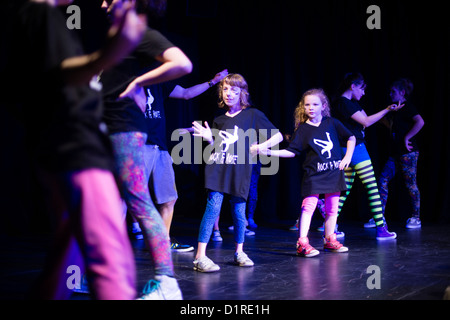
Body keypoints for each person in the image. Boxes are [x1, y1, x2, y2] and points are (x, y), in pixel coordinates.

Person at [1, 0, 146, 299]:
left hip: (59, 147)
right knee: (110, 259)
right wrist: (111, 52)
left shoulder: (28, 19)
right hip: (76, 149)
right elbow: (61, 75)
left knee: (67, 255)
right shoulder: (39, 12)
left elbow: (21, 92)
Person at [99, 0, 192, 299]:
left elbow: (182, 64)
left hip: (126, 130)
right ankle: (104, 274)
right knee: (107, 204)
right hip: (108, 129)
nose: (102, 4)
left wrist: (139, 81)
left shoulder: (138, 31)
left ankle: (167, 282)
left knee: (139, 202)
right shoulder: (119, 37)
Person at [129, 69, 229, 252]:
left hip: (159, 148)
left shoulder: (158, 82)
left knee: (169, 199)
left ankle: (163, 243)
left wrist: (213, 82)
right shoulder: (125, 78)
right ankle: (111, 246)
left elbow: (186, 93)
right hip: (135, 146)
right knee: (126, 198)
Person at [192, 73, 283, 272]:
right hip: (218, 168)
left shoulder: (253, 115)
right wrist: (209, 138)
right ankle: (200, 256)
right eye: (225, 89)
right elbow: (218, 146)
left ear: (242, 92)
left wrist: (260, 147)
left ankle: (239, 252)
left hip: (240, 170)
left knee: (239, 212)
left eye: (234, 90)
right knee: (213, 207)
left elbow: (277, 136)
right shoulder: (219, 118)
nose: (229, 94)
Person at [252, 89, 356, 257]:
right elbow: (292, 151)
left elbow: (351, 137)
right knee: (308, 208)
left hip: (333, 174)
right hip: (314, 176)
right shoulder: (303, 130)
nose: (311, 108)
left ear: (323, 106)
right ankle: (302, 243)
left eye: (315, 104)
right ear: (303, 108)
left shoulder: (332, 123)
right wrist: (269, 152)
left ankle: (330, 240)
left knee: (332, 209)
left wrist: (347, 157)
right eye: (307, 105)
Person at [331, 72, 401, 240]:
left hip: (347, 149)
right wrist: (387, 109)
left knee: (344, 190)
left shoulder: (350, 103)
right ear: (352, 86)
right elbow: (366, 122)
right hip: (355, 149)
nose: (364, 92)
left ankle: (331, 227)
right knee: (372, 187)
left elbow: (365, 120)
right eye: (361, 88)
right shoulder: (343, 103)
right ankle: (381, 229)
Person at [376, 79, 424, 229]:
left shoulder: (408, 107)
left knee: (411, 185)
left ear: (402, 93)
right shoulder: (395, 110)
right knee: (383, 179)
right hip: (395, 153)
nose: (390, 94)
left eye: (393, 92)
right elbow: (391, 126)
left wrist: (407, 137)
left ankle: (416, 218)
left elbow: (420, 122)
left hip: (407, 153)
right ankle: (379, 217)